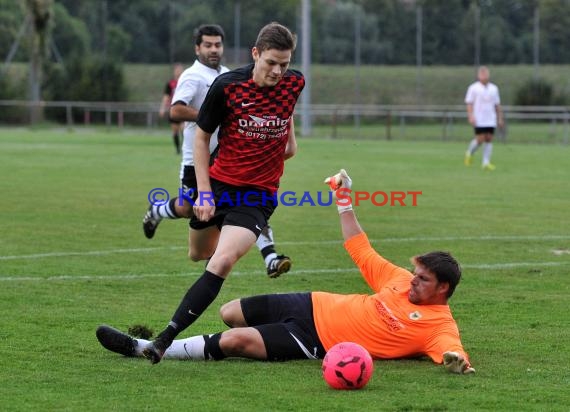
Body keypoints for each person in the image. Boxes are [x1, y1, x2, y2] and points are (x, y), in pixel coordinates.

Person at [97, 169, 475, 375]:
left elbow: (452, 353)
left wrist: (456, 363)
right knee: (229, 312)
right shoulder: (398, 280)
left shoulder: (439, 326)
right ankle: (219, 341)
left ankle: (147, 349)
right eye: (415, 272)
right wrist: (344, 197)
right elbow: (360, 247)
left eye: (423, 279)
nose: (413, 279)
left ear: (443, 288)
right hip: (310, 302)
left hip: (315, 341)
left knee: (234, 342)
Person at [139, 22, 304, 364]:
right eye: (271, 62)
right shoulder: (227, 86)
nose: (278, 71)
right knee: (198, 254)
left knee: (222, 260)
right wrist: (204, 194)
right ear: (255, 54)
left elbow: (287, 130)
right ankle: (163, 211)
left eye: (284, 64)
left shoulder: (295, 82)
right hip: (217, 184)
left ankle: (163, 340)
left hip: (257, 195)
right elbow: (201, 137)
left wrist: (284, 145)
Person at [143, 24, 292, 279]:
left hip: (226, 159)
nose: (214, 50)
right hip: (196, 161)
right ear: (197, 48)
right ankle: (157, 210)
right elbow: (176, 111)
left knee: (247, 200)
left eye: (218, 45)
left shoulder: (227, 74)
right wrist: (214, 116)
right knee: (188, 209)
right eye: (208, 45)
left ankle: (270, 256)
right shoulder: (193, 76)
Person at [464, 66, 504, 170]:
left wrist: (499, 118)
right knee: (480, 139)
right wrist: (471, 116)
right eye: (482, 74)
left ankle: (486, 163)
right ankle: (469, 153)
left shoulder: (494, 88)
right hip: (479, 118)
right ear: (478, 76)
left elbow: (497, 104)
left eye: (485, 74)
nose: (484, 76)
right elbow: (469, 103)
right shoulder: (473, 88)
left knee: (489, 139)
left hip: (490, 118)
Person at [160, 63, 184, 154]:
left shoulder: (185, 81)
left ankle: (184, 148)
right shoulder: (170, 84)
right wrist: (162, 108)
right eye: (177, 69)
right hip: (173, 110)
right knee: (175, 131)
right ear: (174, 71)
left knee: (184, 130)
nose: (178, 71)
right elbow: (166, 96)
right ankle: (177, 149)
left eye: (180, 69)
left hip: (183, 109)